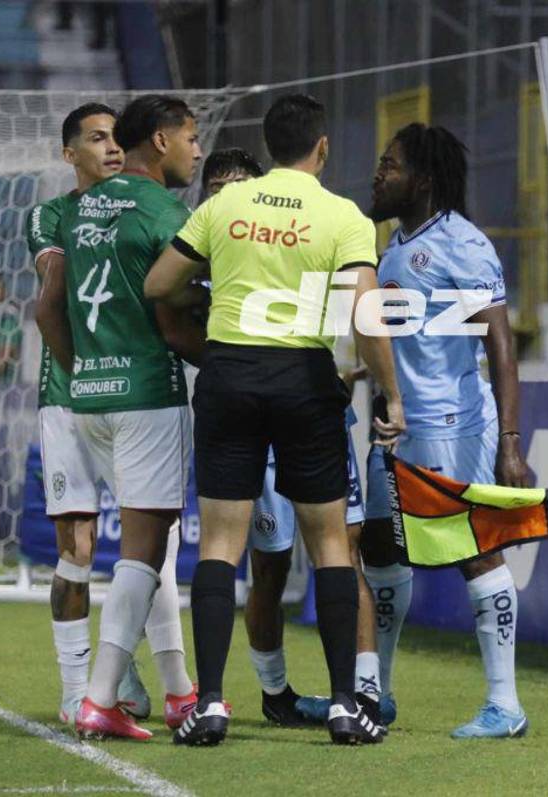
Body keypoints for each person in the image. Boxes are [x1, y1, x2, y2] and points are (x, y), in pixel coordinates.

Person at [145, 93, 404, 747]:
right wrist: (390, 393)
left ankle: (208, 703)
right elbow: (366, 318)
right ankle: (347, 704)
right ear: (321, 148)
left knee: (220, 546)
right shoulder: (341, 216)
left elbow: (158, 284)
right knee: (330, 545)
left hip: (229, 376)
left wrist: (215, 285)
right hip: (303, 381)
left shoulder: (223, 206)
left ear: (267, 146)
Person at [35, 94, 203, 741]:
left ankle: (176, 689)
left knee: (147, 544)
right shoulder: (164, 211)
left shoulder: (77, 213)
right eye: (190, 138)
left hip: (90, 397)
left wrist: (83, 371)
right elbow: (172, 308)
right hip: (145, 396)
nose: (195, 151)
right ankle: (101, 695)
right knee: (144, 548)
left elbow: (48, 307)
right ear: (160, 141)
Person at [192, 149, 378, 728]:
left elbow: (351, 315)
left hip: (309, 409)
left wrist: (347, 369)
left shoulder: (299, 238)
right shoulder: (204, 259)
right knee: (267, 564)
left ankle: (364, 691)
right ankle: (275, 693)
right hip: (250, 421)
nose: (227, 194)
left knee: (345, 547)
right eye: (216, 186)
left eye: (236, 185)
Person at [360, 122, 531, 739]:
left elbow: (501, 343)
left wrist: (510, 443)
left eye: (391, 165)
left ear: (423, 181)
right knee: (378, 549)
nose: (379, 174)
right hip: (394, 429)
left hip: (450, 424)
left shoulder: (462, 243)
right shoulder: (394, 246)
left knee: (474, 550)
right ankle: (376, 692)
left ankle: (505, 704)